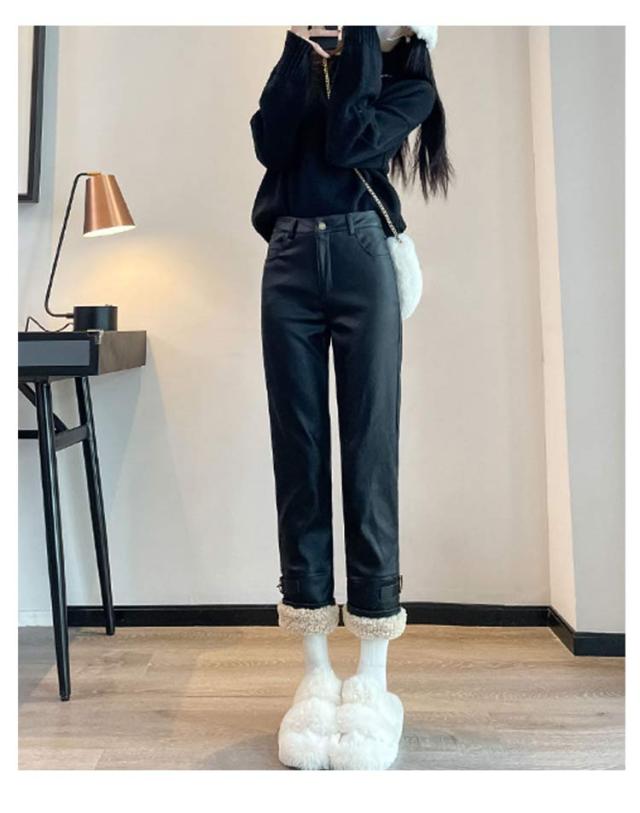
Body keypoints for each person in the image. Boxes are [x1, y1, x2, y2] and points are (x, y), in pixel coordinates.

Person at [250, 24, 451, 770]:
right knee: (297, 455)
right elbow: (270, 142)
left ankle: (371, 678)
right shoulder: (308, 64)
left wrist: (360, 36)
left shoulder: (411, 87)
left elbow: (348, 141)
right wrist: (298, 47)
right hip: (288, 259)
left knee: (370, 459)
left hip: (364, 257)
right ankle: (314, 674)